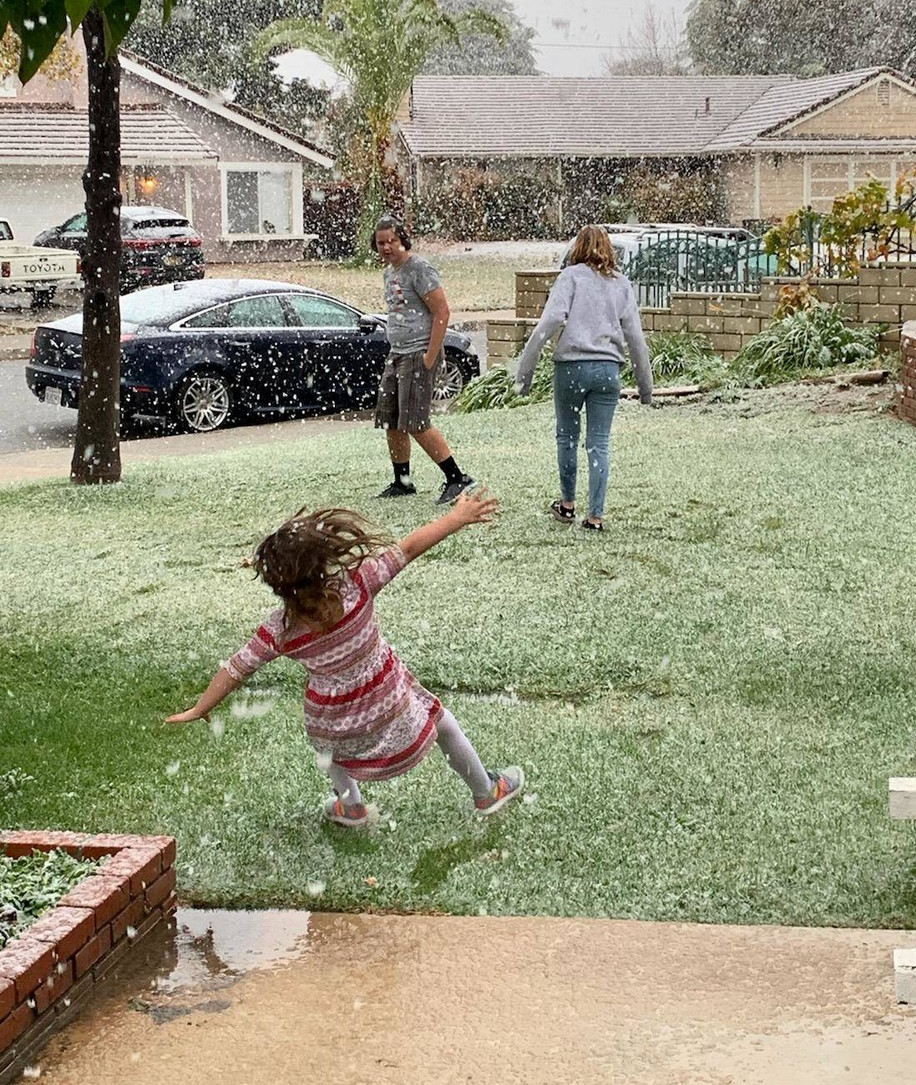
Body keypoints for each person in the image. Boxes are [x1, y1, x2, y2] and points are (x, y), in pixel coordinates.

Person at [166, 489, 524, 827]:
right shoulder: (357, 586)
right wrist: (457, 517)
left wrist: (200, 707)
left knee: (327, 749)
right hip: (387, 701)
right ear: (322, 563)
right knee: (442, 724)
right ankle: (485, 791)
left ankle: (351, 805)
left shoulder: (281, 630)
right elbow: (409, 548)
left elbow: (236, 667)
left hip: (333, 721)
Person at [515, 224, 654, 532]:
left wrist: (524, 375)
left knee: (567, 436)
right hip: (608, 371)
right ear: (609, 249)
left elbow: (549, 322)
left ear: (577, 248)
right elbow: (635, 335)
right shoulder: (621, 284)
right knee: (599, 443)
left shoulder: (570, 277)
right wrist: (646, 387)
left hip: (572, 368)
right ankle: (595, 516)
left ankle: (567, 506)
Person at [372, 214, 476, 504]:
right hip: (397, 353)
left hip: (418, 353)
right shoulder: (389, 273)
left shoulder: (418, 268)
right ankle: (402, 481)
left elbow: (442, 312)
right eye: (381, 243)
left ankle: (457, 478)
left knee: (417, 422)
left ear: (402, 239)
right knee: (391, 419)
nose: (386, 247)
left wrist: (430, 356)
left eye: (391, 240)